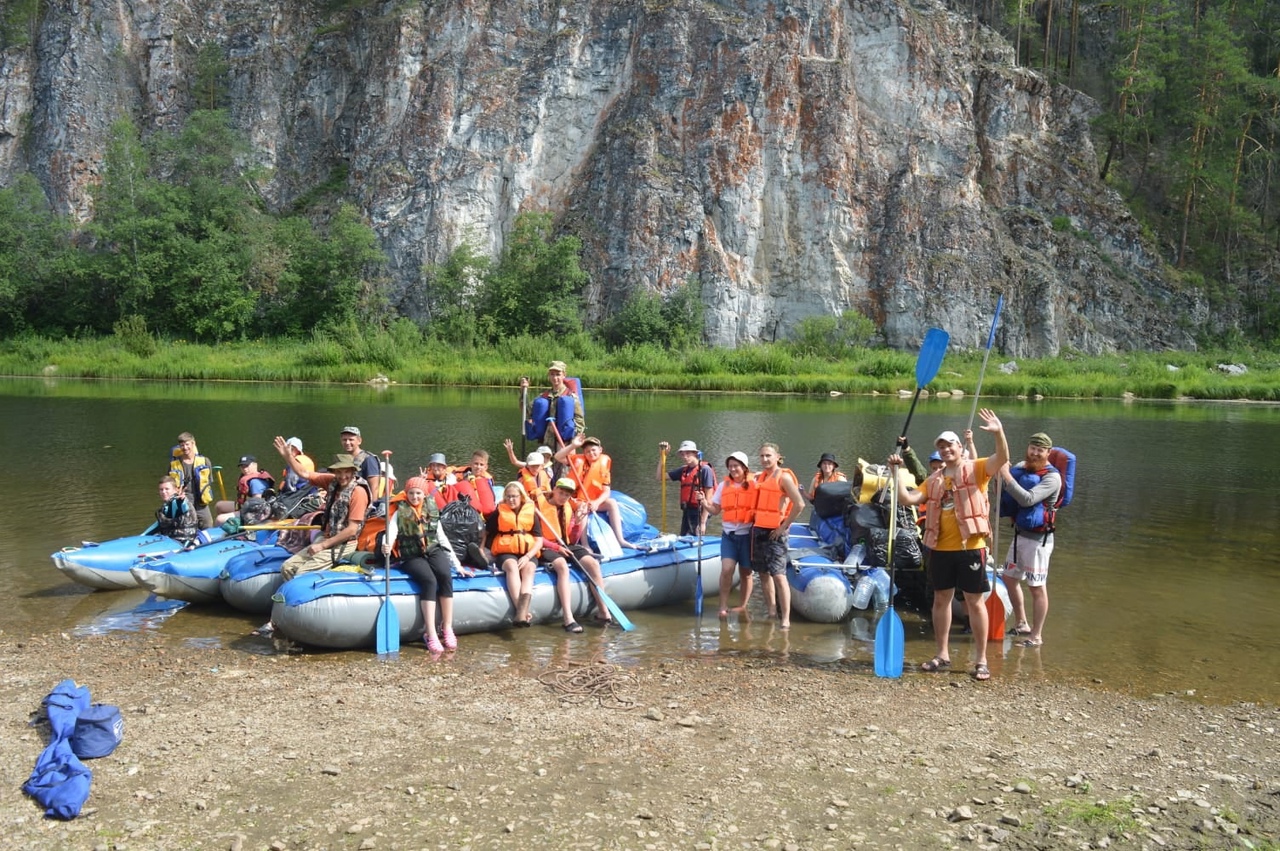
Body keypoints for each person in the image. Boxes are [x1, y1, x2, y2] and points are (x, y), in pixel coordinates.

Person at [891, 409, 1009, 682]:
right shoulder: (933, 479)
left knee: (974, 602)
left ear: (959, 447)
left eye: (949, 445)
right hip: (940, 548)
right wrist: (896, 472)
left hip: (971, 546)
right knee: (941, 600)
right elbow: (908, 499)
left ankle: (981, 660)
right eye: (940, 447)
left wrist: (998, 432)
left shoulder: (977, 468)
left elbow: (1002, 458)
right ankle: (942, 655)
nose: (945, 450)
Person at [384, 476, 465, 652]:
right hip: (411, 555)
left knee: (445, 575)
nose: (415, 497)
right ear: (406, 494)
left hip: (432, 550)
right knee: (429, 580)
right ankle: (430, 632)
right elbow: (391, 532)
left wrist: (456, 564)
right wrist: (387, 545)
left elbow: (441, 538)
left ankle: (447, 627)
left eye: (418, 493)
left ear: (425, 494)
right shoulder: (400, 512)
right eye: (411, 493)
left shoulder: (431, 509)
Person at [998, 431, 1063, 648]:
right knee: (1009, 578)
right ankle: (1022, 623)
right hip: (1019, 535)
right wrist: (1002, 475)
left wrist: (1006, 475)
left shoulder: (1053, 478)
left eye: (1040, 450)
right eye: (1032, 448)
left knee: (1036, 587)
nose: (1035, 453)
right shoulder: (1021, 466)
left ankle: (1036, 636)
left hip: (1038, 541)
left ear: (1048, 453)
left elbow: (1028, 500)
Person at [534, 478, 614, 632]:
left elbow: (572, 537)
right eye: (561, 492)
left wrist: (577, 523)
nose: (562, 497)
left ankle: (604, 612)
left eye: (566, 495)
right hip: (546, 546)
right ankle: (568, 618)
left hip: (565, 544)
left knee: (593, 564)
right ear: (554, 490)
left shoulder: (568, 507)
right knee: (562, 566)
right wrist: (556, 546)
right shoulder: (538, 507)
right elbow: (536, 537)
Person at [751, 443, 805, 629]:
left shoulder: (785, 478)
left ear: (777, 457)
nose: (765, 459)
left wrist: (783, 527)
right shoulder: (762, 476)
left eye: (768, 456)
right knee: (763, 573)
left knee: (779, 575)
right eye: (762, 456)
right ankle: (772, 612)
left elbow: (799, 504)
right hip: (759, 529)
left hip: (776, 532)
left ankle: (785, 619)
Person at [555, 434, 635, 549]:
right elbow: (558, 456)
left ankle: (620, 539)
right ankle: (585, 545)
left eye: (593, 450)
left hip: (593, 500)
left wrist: (597, 502)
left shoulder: (604, 462)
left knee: (611, 503)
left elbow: (606, 491)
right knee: (583, 507)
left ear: (600, 450)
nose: (591, 453)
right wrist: (573, 445)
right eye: (587, 451)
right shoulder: (578, 459)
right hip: (576, 499)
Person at [703, 451, 755, 617]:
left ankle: (743, 605)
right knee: (727, 569)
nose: (732, 469)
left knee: (746, 572)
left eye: (736, 466)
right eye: (730, 466)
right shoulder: (724, 486)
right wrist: (704, 502)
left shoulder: (754, 484)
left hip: (747, 535)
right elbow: (715, 510)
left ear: (744, 467)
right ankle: (723, 606)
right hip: (729, 535)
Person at [484, 482, 543, 628]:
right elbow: (486, 532)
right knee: (512, 566)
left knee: (528, 569)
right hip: (506, 551)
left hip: (527, 552)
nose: (511, 500)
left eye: (514, 496)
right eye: (508, 497)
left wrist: (528, 556)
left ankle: (521, 613)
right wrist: (481, 548)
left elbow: (539, 541)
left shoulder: (531, 512)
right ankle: (521, 611)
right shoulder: (500, 512)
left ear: (521, 497)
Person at [657, 440, 716, 536]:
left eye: (688, 453)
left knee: (694, 539)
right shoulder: (683, 470)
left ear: (695, 453)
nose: (685, 457)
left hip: (700, 511)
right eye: (682, 454)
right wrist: (663, 456)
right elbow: (660, 476)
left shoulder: (705, 470)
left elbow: (709, 498)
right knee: (683, 538)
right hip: (687, 511)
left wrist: (702, 523)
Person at [520, 360, 584, 447]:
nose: (555, 377)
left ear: (564, 375)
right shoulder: (543, 396)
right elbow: (525, 412)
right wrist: (523, 391)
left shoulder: (571, 397)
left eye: (558, 374)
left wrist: (573, 442)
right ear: (549, 375)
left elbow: (580, 421)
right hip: (545, 443)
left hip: (564, 444)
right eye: (552, 374)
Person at [168, 432, 216, 529]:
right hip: (183, 502)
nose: (185, 448)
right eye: (182, 445)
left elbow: (209, 481)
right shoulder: (174, 464)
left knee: (208, 524)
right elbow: (169, 485)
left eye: (187, 444)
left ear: (193, 444)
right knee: (186, 527)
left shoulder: (205, 461)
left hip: (201, 502)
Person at [214, 455, 275, 523]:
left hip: (255, 512)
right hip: (245, 506)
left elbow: (256, 505)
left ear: (255, 465)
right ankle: (229, 526)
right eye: (242, 466)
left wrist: (242, 512)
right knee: (219, 505)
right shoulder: (248, 478)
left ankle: (227, 531)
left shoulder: (256, 482)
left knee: (219, 519)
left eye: (247, 466)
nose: (245, 469)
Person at [339, 426, 384, 500]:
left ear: (359, 441)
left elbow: (374, 488)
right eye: (344, 440)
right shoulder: (344, 460)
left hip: (362, 502)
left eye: (351, 440)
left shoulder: (368, 459)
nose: (347, 442)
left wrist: (371, 507)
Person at [154, 475, 199, 546]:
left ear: (175, 490)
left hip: (184, 542)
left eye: (167, 489)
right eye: (161, 489)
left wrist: (181, 500)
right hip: (170, 540)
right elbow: (158, 525)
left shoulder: (177, 502)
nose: (163, 492)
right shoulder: (165, 506)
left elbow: (183, 506)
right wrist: (141, 536)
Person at [458, 449, 497, 517]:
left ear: (486, 467)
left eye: (481, 465)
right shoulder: (461, 475)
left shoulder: (487, 480)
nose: (478, 467)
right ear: (471, 464)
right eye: (476, 464)